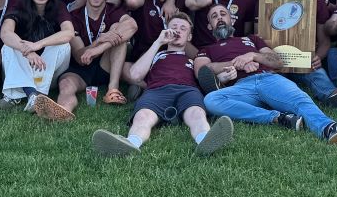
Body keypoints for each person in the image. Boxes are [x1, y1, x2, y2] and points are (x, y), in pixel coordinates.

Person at [198, 6, 337, 143]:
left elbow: (277, 62)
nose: (219, 18)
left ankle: (329, 129)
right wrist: (238, 62)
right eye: (214, 16)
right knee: (211, 100)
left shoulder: (251, 39)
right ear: (209, 26)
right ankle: (277, 118)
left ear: (232, 20)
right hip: (241, 88)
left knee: (300, 99)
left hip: (267, 78)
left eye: (223, 14)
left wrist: (253, 55)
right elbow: (203, 69)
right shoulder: (207, 49)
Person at [92, 15, 235, 157]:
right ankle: (131, 143)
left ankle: (204, 140)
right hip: (157, 90)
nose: (177, 30)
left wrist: (223, 77)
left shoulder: (194, 60)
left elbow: (206, 79)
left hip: (187, 90)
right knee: (143, 116)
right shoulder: (155, 55)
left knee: (196, 113)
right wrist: (158, 42)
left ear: (189, 36)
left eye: (183, 28)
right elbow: (135, 75)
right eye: (174, 27)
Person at [0, 0, 77, 116]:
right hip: (23, 65)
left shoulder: (58, 6)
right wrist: (28, 51)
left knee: (63, 45)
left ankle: (20, 94)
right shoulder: (19, 5)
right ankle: (33, 95)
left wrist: (37, 45)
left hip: (49, 70)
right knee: (8, 46)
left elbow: (69, 32)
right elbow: (5, 32)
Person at [67, 0, 138, 106]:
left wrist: (100, 48)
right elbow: (79, 57)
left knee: (117, 29)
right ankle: (63, 109)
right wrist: (98, 41)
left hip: (106, 66)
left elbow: (132, 25)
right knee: (66, 86)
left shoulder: (112, 10)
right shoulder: (74, 16)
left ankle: (113, 90)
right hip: (82, 69)